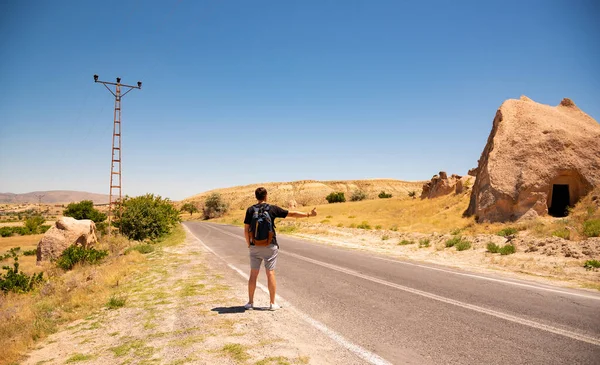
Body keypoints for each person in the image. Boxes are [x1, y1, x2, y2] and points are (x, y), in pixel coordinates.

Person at [243, 187, 316, 310]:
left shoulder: (250, 210)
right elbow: (292, 214)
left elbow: (246, 229)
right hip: (270, 245)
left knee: (253, 274)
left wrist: (249, 244)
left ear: (256, 197)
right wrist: (309, 214)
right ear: (266, 196)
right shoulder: (273, 209)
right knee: (270, 273)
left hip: (255, 246)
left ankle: (250, 303)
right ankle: (272, 303)